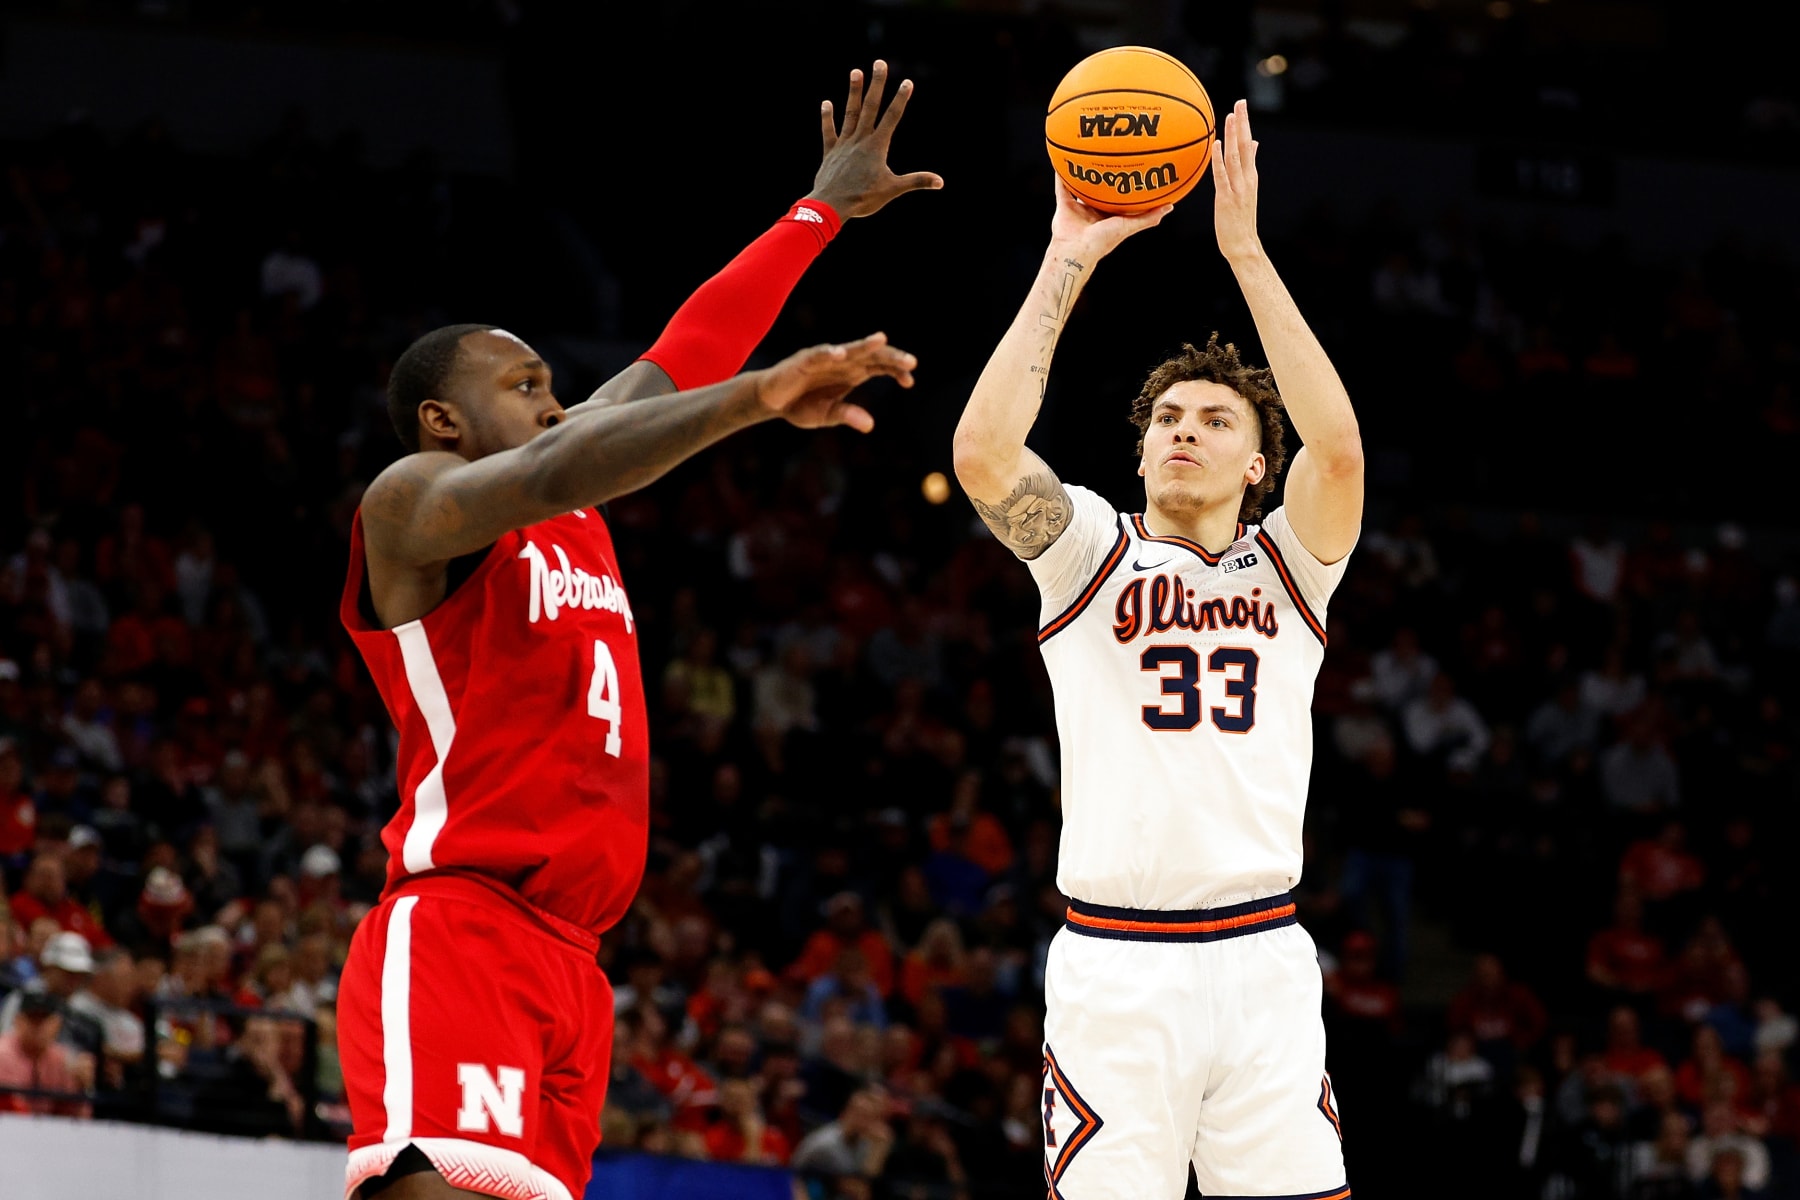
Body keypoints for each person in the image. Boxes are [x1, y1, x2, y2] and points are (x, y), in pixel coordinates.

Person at [336, 62, 938, 1200]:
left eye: (556, 381)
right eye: (525, 383)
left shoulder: (563, 484)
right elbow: (583, 446)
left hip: (575, 962)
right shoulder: (411, 503)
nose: (556, 400)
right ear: (443, 417)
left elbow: (681, 357)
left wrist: (819, 214)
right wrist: (760, 400)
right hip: (464, 926)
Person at [952, 102, 1362, 1198]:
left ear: (1256, 470)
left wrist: (1246, 252)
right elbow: (985, 451)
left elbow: (1341, 446)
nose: (1184, 429)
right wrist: (1064, 259)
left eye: (1216, 422)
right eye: (1166, 418)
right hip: (1116, 966)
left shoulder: (1293, 565)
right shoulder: (1088, 552)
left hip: (1263, 960)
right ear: (1137, 455)